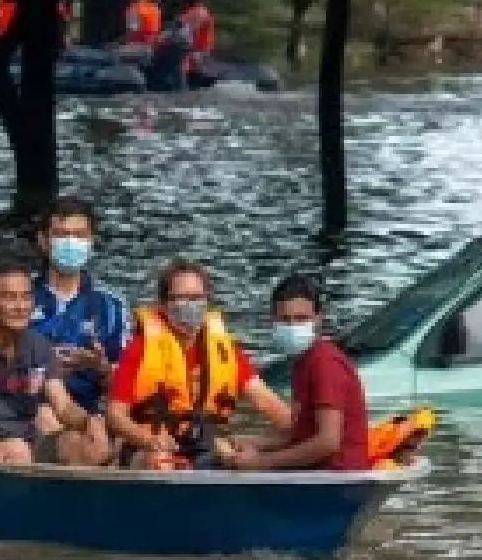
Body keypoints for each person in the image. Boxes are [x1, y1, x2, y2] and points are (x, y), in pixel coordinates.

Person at [107, 260, 290, 469]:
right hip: (150, 446)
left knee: (247, 453)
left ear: (206, 301)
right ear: (163, 305)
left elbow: (265, 399)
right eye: (179, 298)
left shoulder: (224, 349)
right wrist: (148, 439)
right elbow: (115, 416)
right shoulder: (140, 349)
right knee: (159, 463)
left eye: (195, 298)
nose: (188, 305)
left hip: (203, 443)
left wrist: (300, 432)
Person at [0, 262, 107, 467]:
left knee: (84, 446)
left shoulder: (40, 346)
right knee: (17, 450)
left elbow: (63, 405)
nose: (20, 306)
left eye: (26, 297)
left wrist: (90, 422)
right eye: (9, 297)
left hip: (27, 443)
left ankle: (72, 499)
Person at [220, 275, 371, 472]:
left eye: (301, 319)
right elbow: (302, 435)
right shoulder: (303, 361)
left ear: (317, 319)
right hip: (317, 468)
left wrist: (260, 463)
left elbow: (328, 441)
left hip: (334, 475)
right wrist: (259, 443)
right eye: (285, 319)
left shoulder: (324, 363)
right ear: (273, 321)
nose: (292, 327)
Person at [28, 195, 128, 418]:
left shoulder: (111, 307)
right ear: (43, 241)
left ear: (91, 241)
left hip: (88, 411)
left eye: (79, 235)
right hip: (28, 410)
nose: (71, 242)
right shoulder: (19, 297)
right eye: (62, 234)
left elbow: (124, 386)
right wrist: (43, 364)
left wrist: (99, 366)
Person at [178, 0, 217, 79]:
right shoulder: (203, 11)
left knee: (185, 72)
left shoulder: (195, 12)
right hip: (201, 49)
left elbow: (190, 31)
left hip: (194, 50)